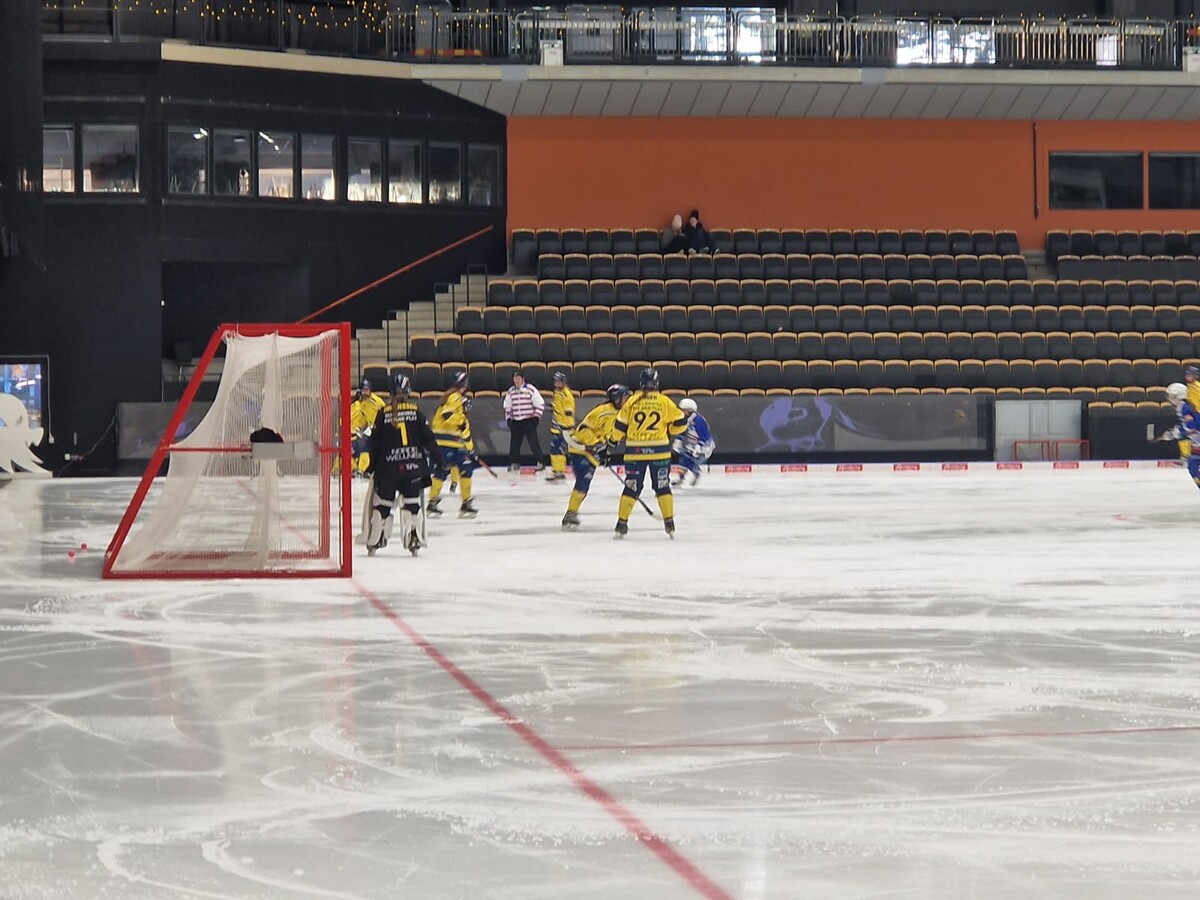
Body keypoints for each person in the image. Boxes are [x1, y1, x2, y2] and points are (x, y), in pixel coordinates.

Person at [363, 373, 441, 556]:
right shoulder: (416, 412)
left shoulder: (383, 414)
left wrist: (371, 467)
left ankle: (377, 538)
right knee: (412, 503)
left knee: (383, 504)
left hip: (388, 469)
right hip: (414, 468)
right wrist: (438, 460)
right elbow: (429, 439)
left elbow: (374, 444)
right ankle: (414, 536)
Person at [611, 367, 689, 539]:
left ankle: (621, 524)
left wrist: (611, 444)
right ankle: (669, 522)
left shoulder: (632, 401)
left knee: (631, 487)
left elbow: (619, 426)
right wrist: (671, 429)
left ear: (641, 383)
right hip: (659, 452)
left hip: (635, 452)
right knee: (662, 486)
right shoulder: (664, 401)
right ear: (657, 383)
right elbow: (681, 422)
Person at [561, 383, 630, 531]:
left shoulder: (620, 414)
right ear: (617, 398)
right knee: (583, 481)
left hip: (592, 453)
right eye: (625, 397)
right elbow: (584, 430)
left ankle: (571, 512)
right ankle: (570, 514)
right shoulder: (603, 411)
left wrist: (605, 451)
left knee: (584, 484)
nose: (627, 400)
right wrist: (596, 444)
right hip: (580, 451)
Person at [426, 372, 480, 518]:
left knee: (465, 468)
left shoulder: (460, 410)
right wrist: (460, 421)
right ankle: (432, 503)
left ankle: (465, 502)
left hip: (454, 445)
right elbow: (447, 415)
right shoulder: (455, 397)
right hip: (444, 443)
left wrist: (471, 451)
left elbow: (465, 435)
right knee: (442, 471)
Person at [1160, 381, 1200, 489]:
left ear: (1177, 396)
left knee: (1193, 464)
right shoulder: (1184, 406)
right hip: (1197, 441)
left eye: (1170, 396)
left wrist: (1177, 432)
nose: (1169, 398)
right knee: (1193, 465)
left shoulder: (1184, 407)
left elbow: (1193, 424)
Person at [503, 370, 545, 472]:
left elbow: (540, 404)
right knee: (514, 444)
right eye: (515, 379)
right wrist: (509, 418)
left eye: (518, 378)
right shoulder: (511, 391)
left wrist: (536, 417)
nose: (516, 380)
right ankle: (515, 463)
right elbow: (507, 406)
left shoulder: (530, 389)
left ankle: (541, 462)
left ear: (523, 379)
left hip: (529, 421)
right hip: (516, 422)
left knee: (533, 442)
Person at [672, 398, 716, 487]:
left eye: (683, 410)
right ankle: (682, 477)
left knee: (688, 460)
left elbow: (705, 436)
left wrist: (699, 446)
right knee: (683, 459)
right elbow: (682, 431)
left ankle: (696, 472)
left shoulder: (699, 420)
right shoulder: (685, 419)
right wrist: (678, 440)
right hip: (692, 445)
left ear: (690, 410)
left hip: (704, 446)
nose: (681, 412)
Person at [349, 378, 386, 477]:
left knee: (365, 446)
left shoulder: (378, 402)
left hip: (374, 432)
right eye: (363, 390)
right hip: (359, 432)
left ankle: (363, 469)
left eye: (367, 390)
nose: (365, 392)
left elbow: (385, 415)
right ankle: (353, 468)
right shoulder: (356, 404)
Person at [546, 370, 576, 482]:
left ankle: (560, 471)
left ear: (563, 382)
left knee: (558, 449)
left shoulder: (566, 394)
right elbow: (558, 406)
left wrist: (566, 427)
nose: (556, 383)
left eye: (558, 381)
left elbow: (568, 413)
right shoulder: (557, 392)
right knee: (555, 448)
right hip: (557, 426)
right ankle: (557, 470)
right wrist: (552, 407)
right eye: (555, 381)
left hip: (564, 428)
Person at [1177, 365, 1200, 465]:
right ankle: (1184, 457)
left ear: (1195, 376)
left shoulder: (1196, 387)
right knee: (1184, 434)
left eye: (1190, 375)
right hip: (1194, 414)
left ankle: (1185, 458)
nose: (1187, 376)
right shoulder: (1188, 387)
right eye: (1187, 374)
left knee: (1187, 433)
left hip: (1197, 415)